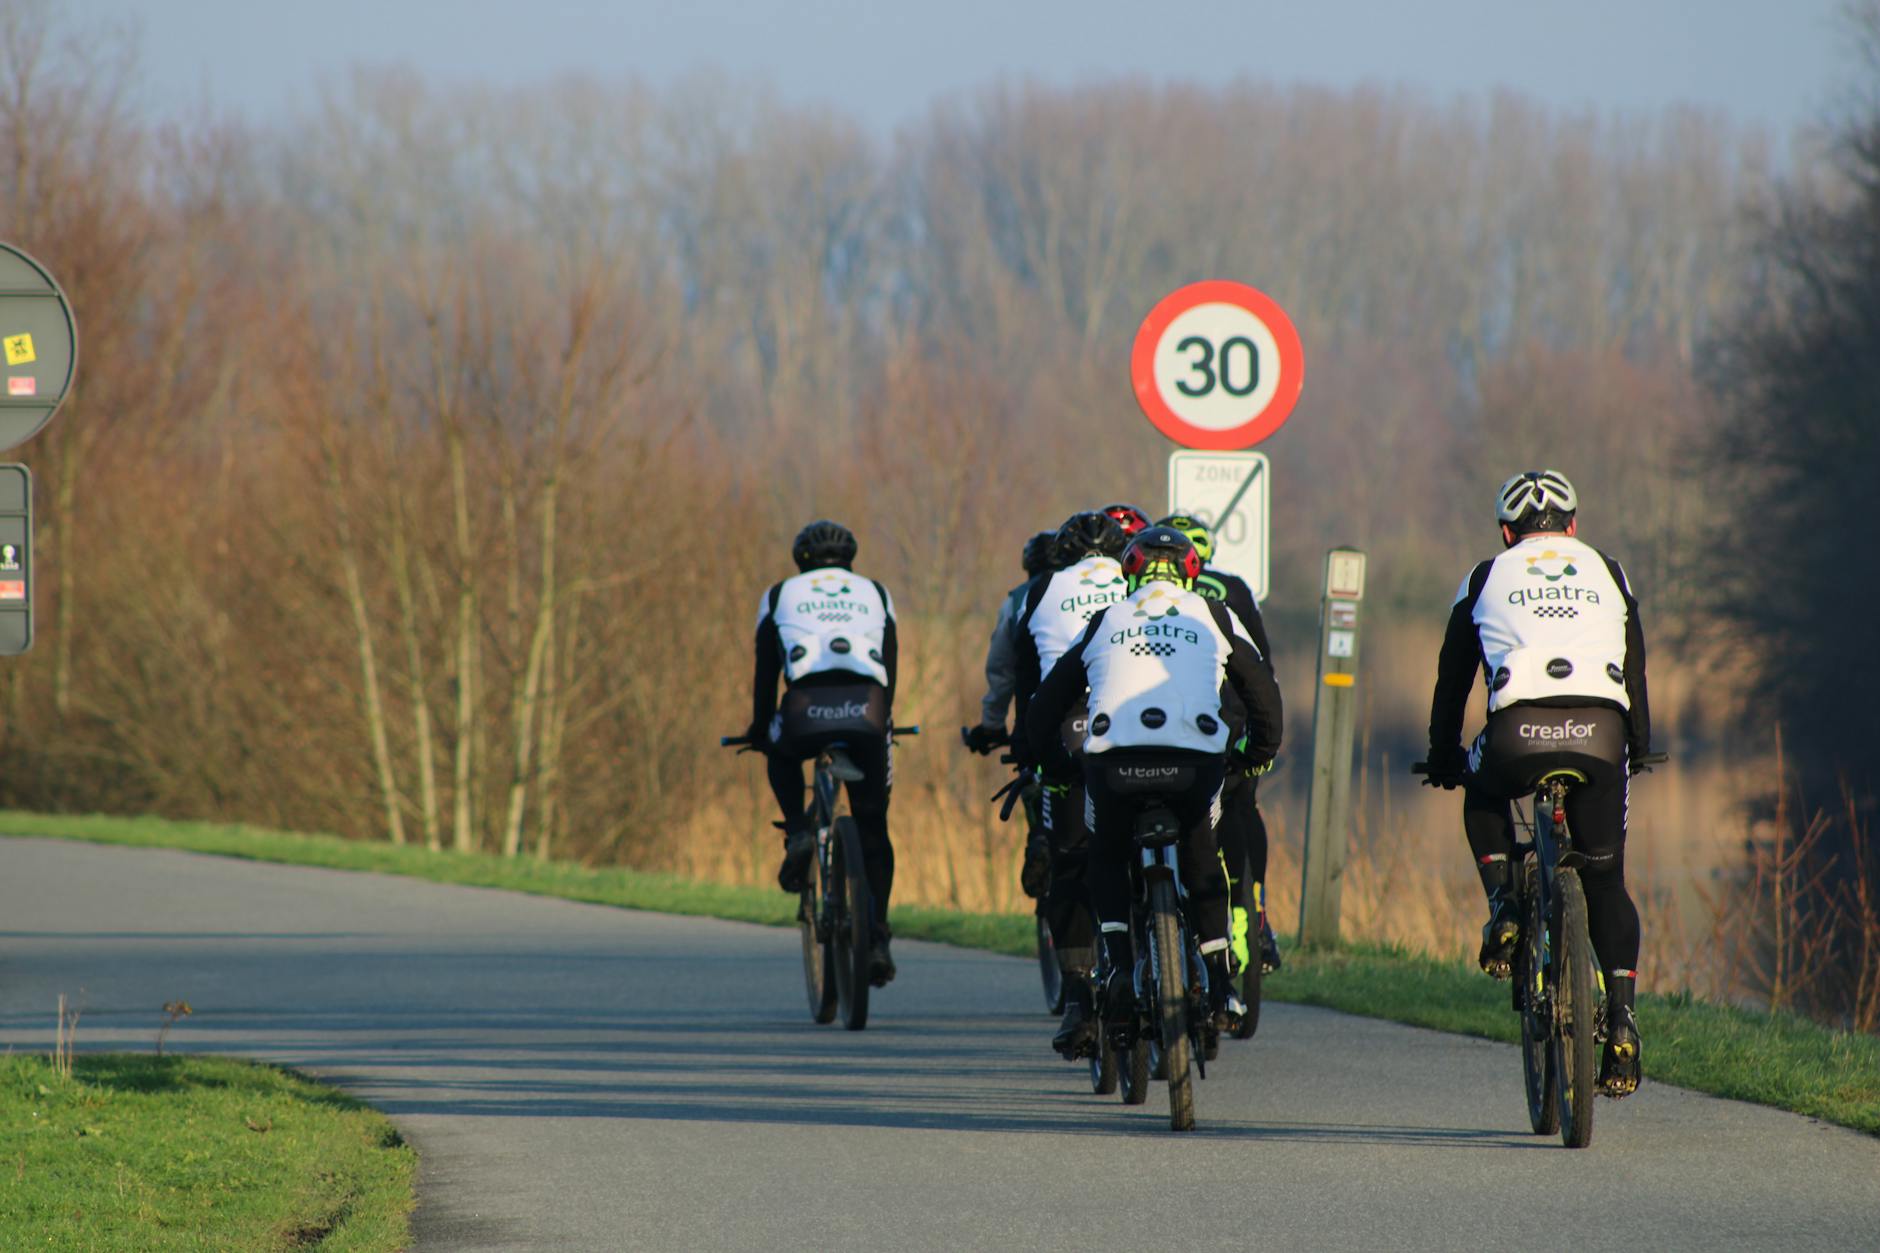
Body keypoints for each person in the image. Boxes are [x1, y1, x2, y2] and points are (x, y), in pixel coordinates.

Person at [1424, 470, 1652, 1096]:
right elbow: (1634, 664)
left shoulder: (1485, 577)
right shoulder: (1609, 570)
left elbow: (1453, 679)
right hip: (1602, 732)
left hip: (1516, 734)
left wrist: (1443, 756)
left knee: (1481, 783)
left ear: (1506, 532)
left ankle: (1503, 908)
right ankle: (1625, 1024)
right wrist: (1640, 744)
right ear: (1573, 525)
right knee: (1606, 880)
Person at [1027, 525, 1283, 1054]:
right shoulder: (1213, 614)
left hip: (1115, 768)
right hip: (1194, 766)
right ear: (1192, 573)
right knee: (1203, 856)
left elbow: (1045, 708)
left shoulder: (1105, 619)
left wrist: (1054, 768)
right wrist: (1253, 757)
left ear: (1131, 573)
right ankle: (1220, 984)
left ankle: (1119, 968)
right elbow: (1263, 695)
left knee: (1103, 852)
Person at [749, 520, 901, 985]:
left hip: (804, 709)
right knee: (874, 829)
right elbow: (888, 662)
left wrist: (758, 728)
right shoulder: (876, 592)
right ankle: (876, 935)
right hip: (867, 709)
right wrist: (883, 718)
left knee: (778, 747)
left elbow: (766, 667)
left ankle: (797, 829)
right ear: (850, 561)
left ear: (801, 561)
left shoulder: (779, 594)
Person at [1011, 511, 1130, 1055]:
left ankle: (1079, 998)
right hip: (1130, 717)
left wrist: (1029, 753)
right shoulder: (1140, 583)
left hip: (1069, 725)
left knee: (1071, 863)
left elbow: (1027, 682)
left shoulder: (1039, 591)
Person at [1158, 513, 1283, 977]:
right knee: (1241, 806)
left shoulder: (1151, 600)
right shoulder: (1232, 589)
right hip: (1236, 718)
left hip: (1183, 721)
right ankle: (1255, 915)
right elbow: (1261, 661)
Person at [964, 530, 1061, 897]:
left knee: (1036, 778)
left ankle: (1039, 835)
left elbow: (1002, 671)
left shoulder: (1019, 599)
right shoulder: (1089, 592)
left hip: (1034, 717)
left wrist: (991, 725)